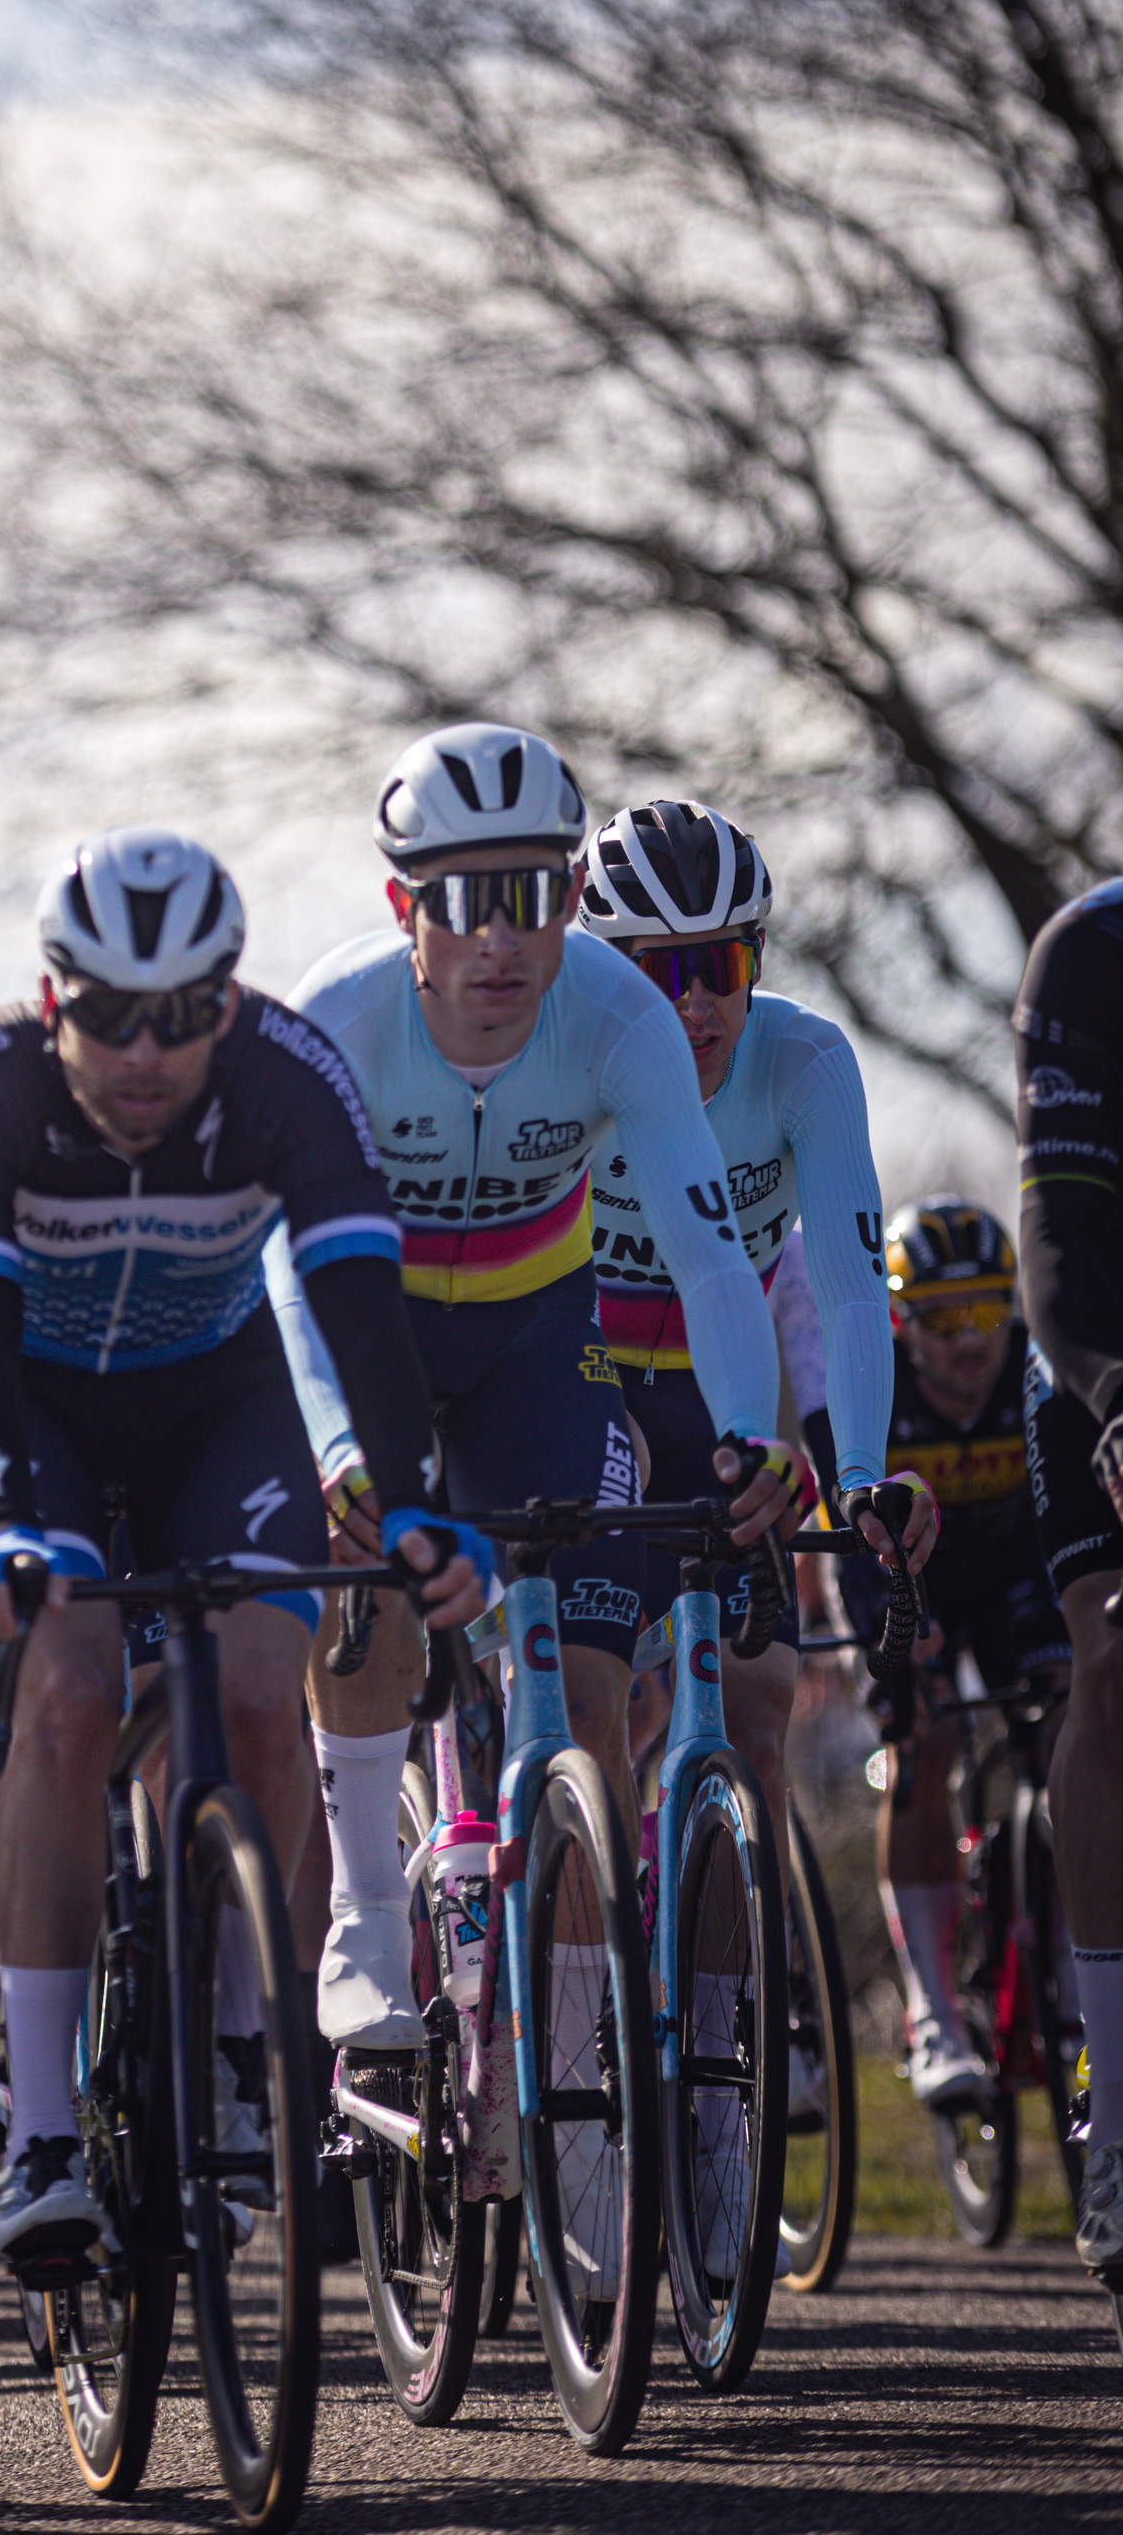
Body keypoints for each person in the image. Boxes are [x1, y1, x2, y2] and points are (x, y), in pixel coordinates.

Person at [0, 827, 482, 2269]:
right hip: (26, 1412)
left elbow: (358, 1311)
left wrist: (405, 1503)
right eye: (107, 1016)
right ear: (52, 1002)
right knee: (76, 1685)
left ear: (227, 1001)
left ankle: (227, 2060)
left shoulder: (290, 1078)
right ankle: (39, 2128)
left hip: (221, 1409)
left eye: (180, 1017)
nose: (145, 1054)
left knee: (266, 1691)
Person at [271, 731, 807, 2084]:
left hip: (534, 1337)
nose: (499, 939)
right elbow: (282, 1270)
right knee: (375, 1581)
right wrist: (340, 1442)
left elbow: (711, 1256)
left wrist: (751, 1430)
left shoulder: (620, 1015)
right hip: (371, 1329)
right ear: (405, 909)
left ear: (572, 899)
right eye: (459, 899)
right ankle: (365, 1911)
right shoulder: (333, 1023)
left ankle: (571, 2081)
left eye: (532, 895)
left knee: (578, 1681)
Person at [575, 799, 934, 1928]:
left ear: (755, 959)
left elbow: (839, 1288)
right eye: (654, 969)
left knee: (758, 1705)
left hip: (707, 1381)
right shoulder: (567, 1055)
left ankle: (729, 2072)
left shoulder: (801, 1061)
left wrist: (865, 1469)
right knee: (588, 1694)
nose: (690, 1003)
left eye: (718, 963)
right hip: (574, 1378)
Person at [790, 1200, 1065, 2105]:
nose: (968, 1342)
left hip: (1013, 1562)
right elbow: (842, 1526)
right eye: (943, 1321)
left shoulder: (1033, 1370)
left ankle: (1066, 1942)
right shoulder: (874, 1393)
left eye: (985, 1311)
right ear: (900, 1325)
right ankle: (933, 2011)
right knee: (924, 1736)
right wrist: (900, 1646)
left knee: (1072, 1724)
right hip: (900, 1569)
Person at [1013, 880, 1123, 2282]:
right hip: (1102, 1357)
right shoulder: (1090, 953)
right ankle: (1117, 2104)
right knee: (1115, 1665)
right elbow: (1063, 1241)